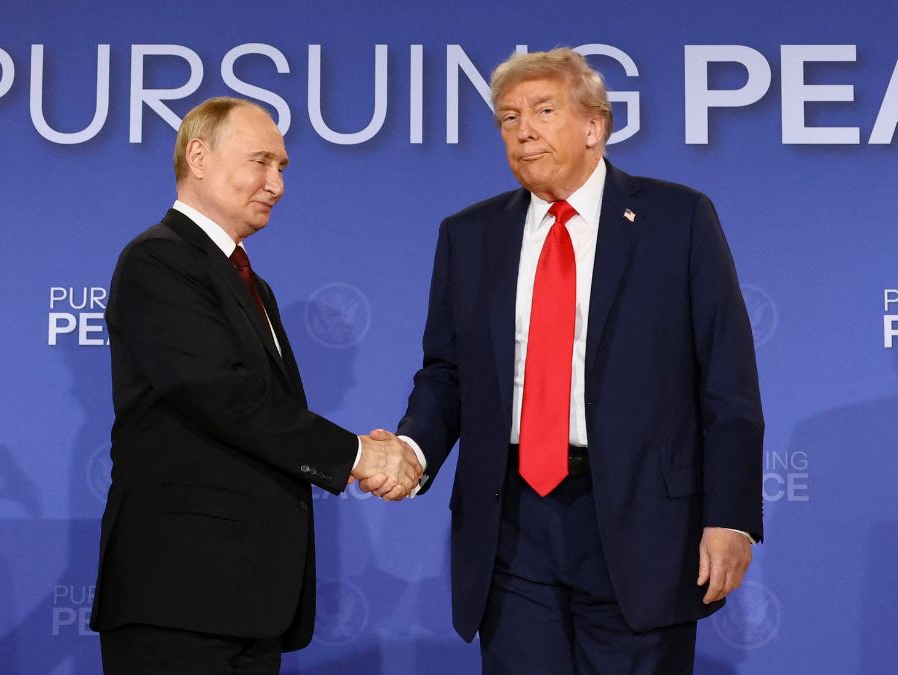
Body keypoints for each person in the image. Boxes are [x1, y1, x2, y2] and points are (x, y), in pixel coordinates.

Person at [365, 48, 764, 673]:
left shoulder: (676, 219)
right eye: (507, 117)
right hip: (512, 519)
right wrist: (413, 452)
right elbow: (446, 374)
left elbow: (727, 380)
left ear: (594, 126)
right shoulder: (469, 236)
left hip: (640, 521)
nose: (523, 130)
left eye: (543, 111)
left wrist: (731, 519)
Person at [89, 96, 421, 674]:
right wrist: (360, 455)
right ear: (198, 156)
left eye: (283, 168)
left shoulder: (251, 284)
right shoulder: (157, 261)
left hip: (249, 600)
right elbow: (226, 397)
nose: (277, 184)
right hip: (179, 596)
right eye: (260, 162)